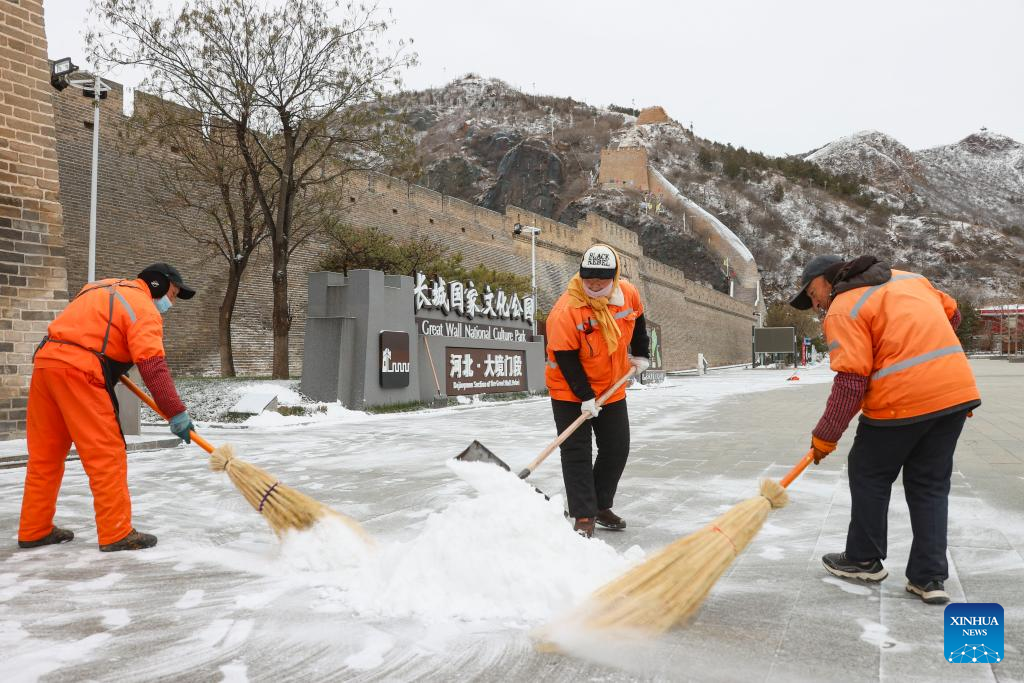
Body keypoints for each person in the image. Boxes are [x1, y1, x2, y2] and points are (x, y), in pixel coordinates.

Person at [790, 254, 980, 604]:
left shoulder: (843, 308)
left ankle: (863, 558)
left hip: (900, 400)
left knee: (868, 472)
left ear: (829, 280)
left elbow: (851, 380)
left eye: (812, 292)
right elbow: (952, 314)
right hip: (954, 393)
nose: (814, 302)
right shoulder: (910, 279)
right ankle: (929, 578)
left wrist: (825, 436)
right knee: (930, 485)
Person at [19, 263, 198, 552]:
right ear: (158, 285)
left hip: (46, 365)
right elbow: (153, 367)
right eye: (174, 294)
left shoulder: (98, 287)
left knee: (45, 456)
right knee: (106, 454)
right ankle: (117, 532)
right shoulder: (143, 308)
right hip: (80, 373)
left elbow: (90, 330)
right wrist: (175, 412)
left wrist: (113, 363)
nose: (171, 302)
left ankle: (34, 529)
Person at [545, 244, 650, 538]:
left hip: (612, 386)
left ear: (614, 278)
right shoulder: (566, 310)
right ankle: (583, 514)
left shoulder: (627, 294)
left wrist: (641, 354)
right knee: (576, 451)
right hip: (569, 390)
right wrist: (585, 397)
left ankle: (600, 504)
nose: (593, 285)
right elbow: (565, 358)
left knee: (617, 447)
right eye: (588, 279)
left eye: (601, 281)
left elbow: (638, 319)